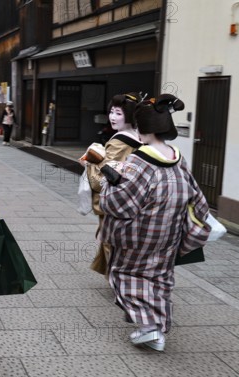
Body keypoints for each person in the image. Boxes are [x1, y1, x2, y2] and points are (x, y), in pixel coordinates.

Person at [98, 94, 210, 351]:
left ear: (140, 128)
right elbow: (196, 197)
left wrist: (109, 181)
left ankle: (148, 327)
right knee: (160, 279)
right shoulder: (177, 157)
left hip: (138, 235)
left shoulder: (140, 159)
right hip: (169, 234)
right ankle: (158, 331)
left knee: (126, 276)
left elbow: (120, 203)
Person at [82, 93, 143, 275]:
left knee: (110, 239)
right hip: (131, 198)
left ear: (130, 115)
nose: (112, 117)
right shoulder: (139, 137)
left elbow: (102, 179)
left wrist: (88, 164)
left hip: (114, 200)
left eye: (118, 113)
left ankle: (119, 281)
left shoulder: (119, 141)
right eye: (111, 112)